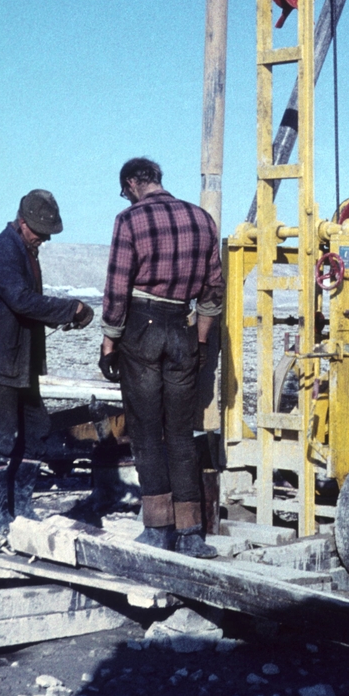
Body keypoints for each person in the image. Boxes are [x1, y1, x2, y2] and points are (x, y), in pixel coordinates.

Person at [99, 157, 224, 556]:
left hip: (142, 328)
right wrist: (201, 341)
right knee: (181, 433)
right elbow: (212, 292)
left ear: (134, 182)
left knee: (148, 430)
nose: (127, 197)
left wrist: (109, 342)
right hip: (182, 328)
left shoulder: (129, 220)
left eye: (125, 190)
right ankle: (190, 534)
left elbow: (118, 288)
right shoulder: (202, 220)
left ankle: (157, 528)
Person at [0, 190, 95, 542]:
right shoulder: (3, 252)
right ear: (22, 222)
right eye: (39, 232)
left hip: (19, 361)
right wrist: (69, 309)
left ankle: (19, 506)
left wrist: (64, 316)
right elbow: (22, 301)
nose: (44, 239)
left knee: (37, 428)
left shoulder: (23, 249)